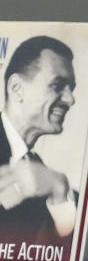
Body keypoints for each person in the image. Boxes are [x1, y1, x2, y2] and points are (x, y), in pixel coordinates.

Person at [0, 35, 79, 244]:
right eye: (58, 85)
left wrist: (59, 190)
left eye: (72, 88)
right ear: (17, 88)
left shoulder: (46, 178)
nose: (70, 99)